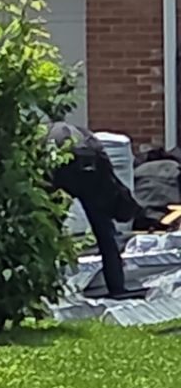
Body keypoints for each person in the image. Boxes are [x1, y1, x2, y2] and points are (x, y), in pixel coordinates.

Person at [49, 122, 145, 298]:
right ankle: (117, 288)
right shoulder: (89, 139)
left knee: (48, 230)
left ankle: (46, 289)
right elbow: (108, 176)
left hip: (61, 168)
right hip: (91, 165)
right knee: (105, 231)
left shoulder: (49, 137)